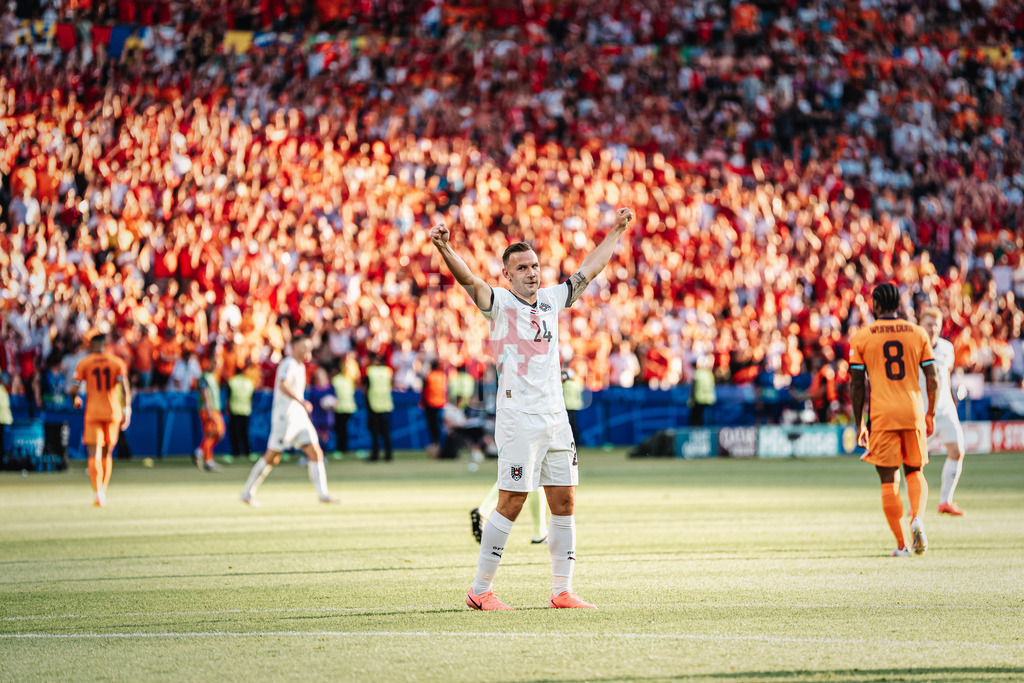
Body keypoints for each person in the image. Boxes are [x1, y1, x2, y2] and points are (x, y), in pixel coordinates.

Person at [431, 205, 634, 611]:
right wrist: (444, 249)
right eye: (522, 267)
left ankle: (562, 591)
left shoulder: (552, 299)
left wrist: (615, 231)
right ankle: (480, 590)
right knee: (512, 501)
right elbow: (469, 280)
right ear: (507, 275)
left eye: (535, 265)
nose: (532, 272)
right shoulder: (500, 303)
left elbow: (589, 270)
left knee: (565, 500)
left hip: (556, 418)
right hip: (519, 419)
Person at [850, 283, 937, 557]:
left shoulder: (863, 337)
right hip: (912, 412)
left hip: (882, 415)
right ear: (898, 304)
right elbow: (933, 379)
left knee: (888, 481)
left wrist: (859, 423)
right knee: (915, 471)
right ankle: (918, 519)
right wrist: (930, 412)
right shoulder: (918, 333)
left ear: (876, 305)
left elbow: (856, 385)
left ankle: (901, 545)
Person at [239, 335, 338, 505]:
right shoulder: (289, 363)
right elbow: (283, 385)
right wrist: (301, 401)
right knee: (272, 457)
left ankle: (323, 494)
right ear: (294, 346)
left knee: (315, 452)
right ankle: (247, 492)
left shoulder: (300, 366)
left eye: (309, 346)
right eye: (304, 346)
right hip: (285, 416)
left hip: (298, 416)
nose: (308, 349)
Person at [69, 332, 132, 507]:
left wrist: (75, 400)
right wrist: (127, 411)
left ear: (91, 345)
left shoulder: (85, 363)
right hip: (113, 412)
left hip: (93, 412)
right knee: (107, 453)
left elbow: (73, 389)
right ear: (105, 345)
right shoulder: (116, 362)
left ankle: (97, 492)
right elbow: (125, 390)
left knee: (93, 454)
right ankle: (103, 490)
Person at [919, 307, 967, 516]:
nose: (933, 329)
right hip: (923, 412)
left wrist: (951, 399)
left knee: (957, 451)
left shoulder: (947, 348)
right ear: (921, 325)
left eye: (936, 325)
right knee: (916, 462)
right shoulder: (914, 348)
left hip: (946, 409)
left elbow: (945, 377)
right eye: (929, 324)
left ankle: (945, 501)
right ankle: (915, 505)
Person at [195, 356, 225, 472]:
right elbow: (205, 394)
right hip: (208, 410)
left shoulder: (213, 376)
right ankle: (208, 460)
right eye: (215, 363)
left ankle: (200, 451)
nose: (217, 366)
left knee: (219, 433)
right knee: (211, 434)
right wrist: (209, 410)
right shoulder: (205, 377)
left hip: (215, 409)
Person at [364, 353, 394, 462]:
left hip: (374, 405)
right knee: (386, 433)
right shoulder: (387, 372)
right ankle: (388, 455)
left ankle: (375, 455)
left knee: (375, 433)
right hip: (385, 405)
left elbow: (366, 387)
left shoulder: (370, 371)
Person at [330, 354, 359, 459]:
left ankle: (342, 449)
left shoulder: (348, 379)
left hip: (346, 408)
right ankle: (341, 448)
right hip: (340, 408)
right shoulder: (338, 379)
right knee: (340, 430)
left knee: (342, 430)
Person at [227, 361, 256, 461]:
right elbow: (252, 397)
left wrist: (227, 409)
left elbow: (228, 397)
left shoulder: (232, 381)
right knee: (245, 433)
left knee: (234, 433)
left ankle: (236, 453)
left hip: (234, 410)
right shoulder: (248, 382)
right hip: (246, 410)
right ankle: (247, 453)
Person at [422, 360, 447, 459]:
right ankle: (440, 445)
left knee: (432, 427)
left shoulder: (429, 376)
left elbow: (424, 390)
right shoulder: (443, 376)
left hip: (430, 403)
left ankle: (436, 445)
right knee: (440, 426)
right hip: (441, 403)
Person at [561, 368, 583, 445]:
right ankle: (576, 444)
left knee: (565, 427)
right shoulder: (576, 385)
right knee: (574, 427)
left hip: (565, 408)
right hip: (575, 407)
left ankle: (567, 443)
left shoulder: (562, 385)